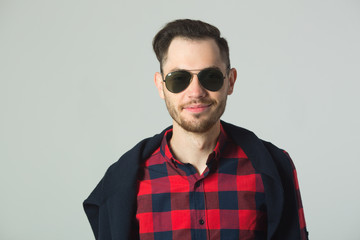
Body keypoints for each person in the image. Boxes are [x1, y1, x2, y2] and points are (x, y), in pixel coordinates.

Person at [83, 19, 308, 240]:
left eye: (210, 77)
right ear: (160, 86)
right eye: (179, 79)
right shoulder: (124, 182)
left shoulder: (274, 169)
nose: (196, 92)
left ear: (230, 81)